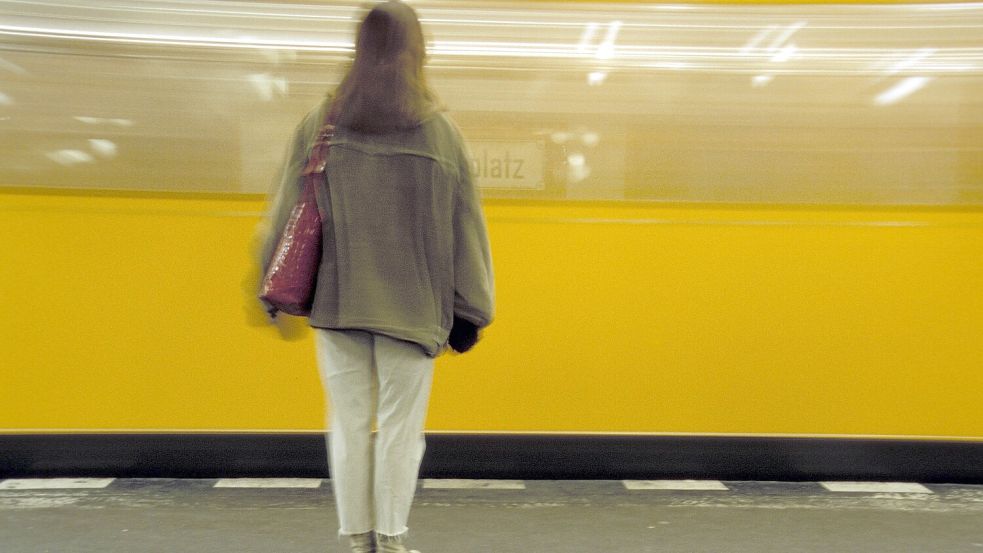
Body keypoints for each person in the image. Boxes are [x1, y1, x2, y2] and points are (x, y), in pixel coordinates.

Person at [256, 2, 494, 552]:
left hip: (339, 303)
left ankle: (356, 539)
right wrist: (472, 306)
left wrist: (269, 281)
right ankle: (392, 538)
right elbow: (467, 228)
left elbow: (286, 207)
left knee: (347, 425)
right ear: (419, 51)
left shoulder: (324, 123)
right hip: (413, 309)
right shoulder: (440, 134)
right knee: (400, 432)